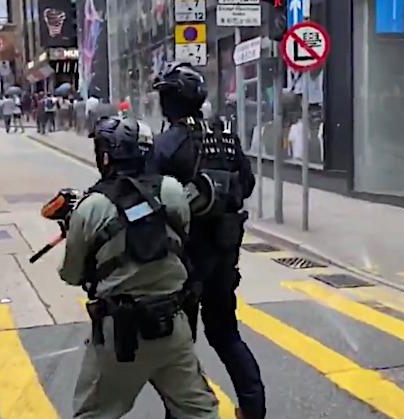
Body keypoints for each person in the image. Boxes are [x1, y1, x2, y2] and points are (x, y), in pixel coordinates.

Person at [59, 116, 219, 419]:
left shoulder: (91, 207)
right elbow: (181, 235)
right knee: (200, 412)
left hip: (120, 334)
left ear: (105, 156)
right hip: (173, 326)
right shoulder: (171, 190)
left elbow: (71, 274)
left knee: (94, 414)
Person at [149, 61, 264, 419]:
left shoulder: (167, 143)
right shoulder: (226, 136)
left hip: (184, 260)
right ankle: (253, 409)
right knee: (227, 336)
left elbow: (152, 199)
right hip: (225, 256)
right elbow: (247, 184)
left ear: (170, 103)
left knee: (180, 351)